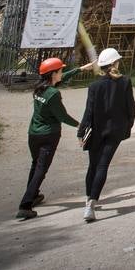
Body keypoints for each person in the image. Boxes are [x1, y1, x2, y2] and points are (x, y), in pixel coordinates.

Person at [17, 56, 93, 220]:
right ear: (53, 74)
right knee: (41, 169)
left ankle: (34, 194)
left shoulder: (39, 87)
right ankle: (25, 205)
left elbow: (61, 79)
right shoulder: (53, 94)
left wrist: (80, 69)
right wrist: (80, 125)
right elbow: (62, 116)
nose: (62, 73)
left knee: (35, 164)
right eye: (60, 71)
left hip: (34, 134)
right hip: (48, 135)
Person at [78, 47, 135, 223]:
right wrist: (128, 125)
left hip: (96, 130)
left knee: (93, 166)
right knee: (102, 166)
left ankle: (89, 199)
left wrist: (81, 131)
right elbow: (131, 108)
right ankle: (91, 204)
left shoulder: (94, 86)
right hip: (115, 131)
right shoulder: (125, 82)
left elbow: (88, 112)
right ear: (115, 63)